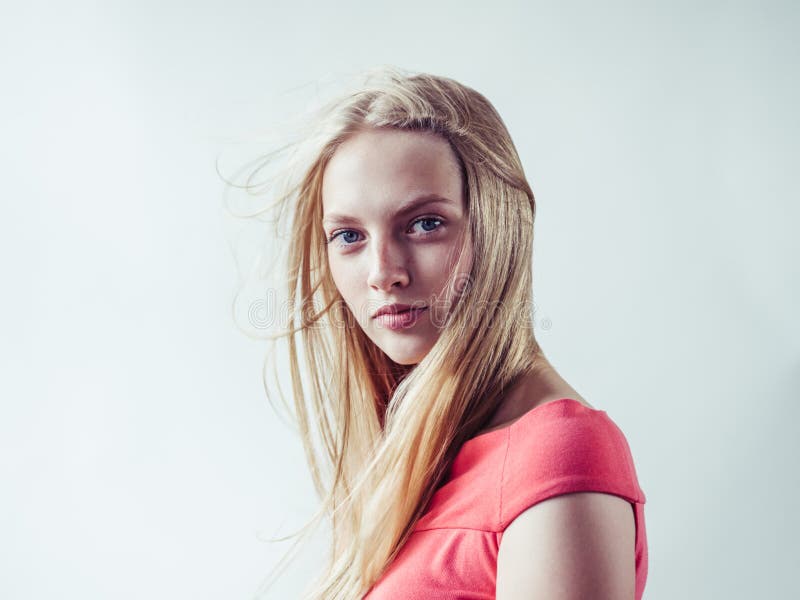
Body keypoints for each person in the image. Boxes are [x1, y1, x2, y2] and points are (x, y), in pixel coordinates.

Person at [240, 65, 648, 600]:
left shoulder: (560, 452)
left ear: (497, 228)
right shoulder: (421, 456)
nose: (383, 271)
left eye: (425, 223)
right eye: (348, 235)